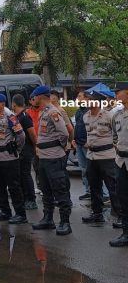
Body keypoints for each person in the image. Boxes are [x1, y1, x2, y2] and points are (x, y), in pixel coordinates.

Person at [30, 86, 73, 236]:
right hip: (44, 157)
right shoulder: (43, 112)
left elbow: (64, 133)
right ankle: (48, 219)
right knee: (46, 190)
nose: (32, 100)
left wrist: (59, 148)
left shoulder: (53, 112)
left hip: (54, 157)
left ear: (40, 97)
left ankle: (65, 222)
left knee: (60, 190)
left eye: (34, 97)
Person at [0, 93, 27, 224]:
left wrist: (15, 150)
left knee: (13, 187)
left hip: (8, 158)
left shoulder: (11, 118)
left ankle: (20, 214)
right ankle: (5, 211)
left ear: (2, 104)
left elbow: (21, 136)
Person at [82, 91, 121, 225]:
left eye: (89, 99)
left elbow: (117, 134)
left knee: (113, 187)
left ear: (97, 102)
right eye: (86, 99)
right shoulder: (85, 116)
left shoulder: (109, 116)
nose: (86, 102)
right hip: (91, 156)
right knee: (94, 186)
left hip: (107, 156)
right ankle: (97, 213)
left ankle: (120, 216)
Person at [11, 94, 38, 210]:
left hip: (26, 150)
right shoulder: (16, 117)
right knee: (20, 175)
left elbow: (32, 134)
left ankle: (31, 200)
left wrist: (36, 147)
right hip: (18, 150)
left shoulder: (24, 117)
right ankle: (24, 198)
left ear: (14, 104)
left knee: (26, 175)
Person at [109, 87, 128, 247]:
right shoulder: (117, 115)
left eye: (118, 92)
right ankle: (126, 233)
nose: (115, 95)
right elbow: (114, 136)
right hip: (121, 161)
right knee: (123, 197)